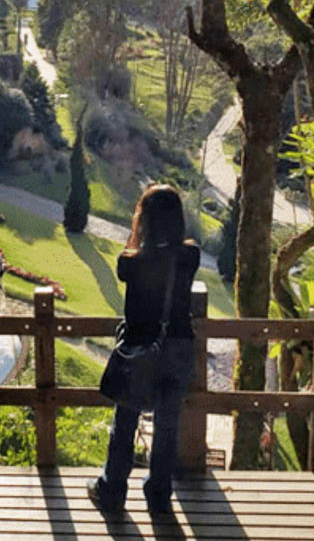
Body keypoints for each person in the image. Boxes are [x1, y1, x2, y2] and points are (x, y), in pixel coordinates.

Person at [88, 183, 200, 517]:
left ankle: (112, 490)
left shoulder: (130, 263)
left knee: (125, 422)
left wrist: (138, 233)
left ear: (144, 219)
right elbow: (178, 252)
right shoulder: (189, 256)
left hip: (139, 350)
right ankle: (159, 496)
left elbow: (133, 254)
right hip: (177, 346)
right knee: (167, 425)